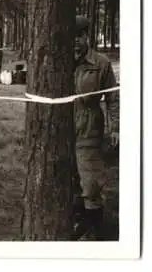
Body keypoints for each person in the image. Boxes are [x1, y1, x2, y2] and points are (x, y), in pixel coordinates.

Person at [71, 15, 119, 241]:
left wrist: (115, 127)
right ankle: (78, 222)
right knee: (71, 180)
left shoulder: (101, 63)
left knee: (90, 182)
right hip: (63, 130)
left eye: (79, 35)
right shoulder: (60, 60)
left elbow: (113, 98)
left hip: (89, 129)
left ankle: (95, 231)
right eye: (72, 36)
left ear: (87, 36)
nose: (76, 41)